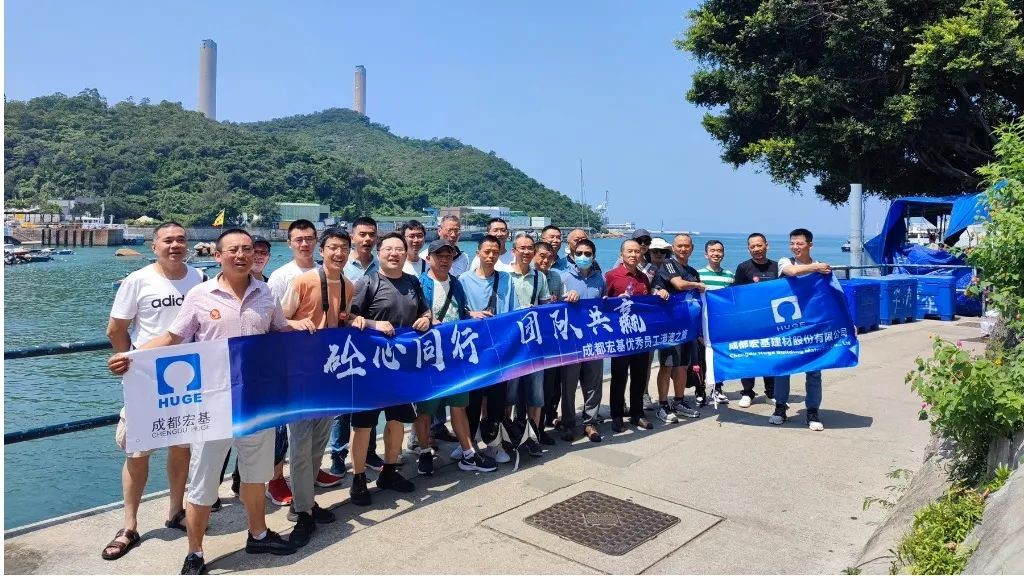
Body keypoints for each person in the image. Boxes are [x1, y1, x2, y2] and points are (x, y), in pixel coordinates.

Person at [108, 228, 318, 575]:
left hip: (256, 401)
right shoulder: (200, 295)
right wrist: (132, 356)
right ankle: (195, 551)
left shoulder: (265, 292)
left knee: (255, 475)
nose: (241, 255)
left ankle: (258, 533)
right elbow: (173, 336)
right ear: (218, 256)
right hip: (212, 404)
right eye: (233, 250)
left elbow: (277, 328)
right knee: (203, 481)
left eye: (247, 249)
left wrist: (299, 327)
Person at [101, 222, 204, 561]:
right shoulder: (137, 280)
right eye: (167, 240)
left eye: (181, 240)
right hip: (145, 378)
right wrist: (129, 361)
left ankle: (175, 510)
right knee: (137, 452)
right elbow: (116, 328)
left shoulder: (199, 278)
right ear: (154, 246)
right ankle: (129, 525)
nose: (175, 245)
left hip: (189, 375)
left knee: (181, 446)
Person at [278, 228, 366, 546]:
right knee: (300, 444)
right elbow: (278, 322)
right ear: (322, 250)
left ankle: (306, 501)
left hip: (330, 374)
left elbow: (341, 318)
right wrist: (295, 324)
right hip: (301, 375)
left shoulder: (348, 285)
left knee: (318, 443)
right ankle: (302, 510)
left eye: (344, 248)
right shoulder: (302, 282)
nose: (338, 253)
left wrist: (354, 319)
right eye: (333, 247)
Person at [348, 232, 433, 506]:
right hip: (370, 369)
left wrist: (426, 319)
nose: (394, 254)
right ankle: (358, 478)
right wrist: (374, 324)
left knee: (397, 421)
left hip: (401, 368)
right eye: (388, 249)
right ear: (379, 253)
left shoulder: (413, 282)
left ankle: (389, 470)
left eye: (399, 249)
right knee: (363, 425)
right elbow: (348, 317)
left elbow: (426, 311)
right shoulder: (367, 282)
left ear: (406, 253)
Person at [413, 239, 498, 475]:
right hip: (430, 359)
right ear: (428, 258)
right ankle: (424, 451)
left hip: (455, 357)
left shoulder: (456, 283)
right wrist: (425, 320)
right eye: (439, 256)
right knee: (425, 410)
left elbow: (460, 311)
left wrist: (472, 314)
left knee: (459, 406)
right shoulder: (418, 284)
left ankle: (468, 453)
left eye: (448, 256)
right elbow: (412, 315)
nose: (444, 260)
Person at [264, 220, 324, 507]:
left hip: (319, 363)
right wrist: (294, 324)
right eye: (298, 239)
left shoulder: (324, 272)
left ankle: (311, 471)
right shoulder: (281, 276)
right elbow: (270, 320)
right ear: (289, 243)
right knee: (283, 425)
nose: (304, 244)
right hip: (288, 361)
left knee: (316, 422)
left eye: (309, 238)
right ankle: (275, 478)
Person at [460, 235, 517, 464]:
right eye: (487, 251)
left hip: (498, 350)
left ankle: (494, 444)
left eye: (495, 251)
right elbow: (459, 311)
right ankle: (469, 443)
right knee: (472, 400)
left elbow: (512, 311)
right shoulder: (463, 280)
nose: (491, 256)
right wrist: (470, 314)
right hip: (473, 351)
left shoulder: (506, 279)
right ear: (478, 253)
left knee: (496, 399)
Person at [335, 216, 385, 475]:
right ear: (352, 236)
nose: (367, 239)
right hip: (344, 343)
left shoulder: (381, 266)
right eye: (362, 234)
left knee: (371, 399)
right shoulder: (341, 266)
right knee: (343, 404)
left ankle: (369, 452)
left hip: (373, 345)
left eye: (371, 235)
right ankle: (338, 453)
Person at [773, 228, 831, 431]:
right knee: (783, 368)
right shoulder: (785, 262)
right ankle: (780, 408)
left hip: (813, 326)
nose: (795, 247)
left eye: (800, 243)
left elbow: (831, 297)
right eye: (792, 243)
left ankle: (812, 412)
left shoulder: (821, 268)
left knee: (814, 371)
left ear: (810, 245)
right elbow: (792, 272)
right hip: (788, 325)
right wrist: (817, 267)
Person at [605, 239, 665, 433]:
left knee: (639, 376)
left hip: (640, 335)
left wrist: (661, 294)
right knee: (619, 376)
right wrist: (614, 301)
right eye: (629, 251)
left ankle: (637, 413)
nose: (633, 255)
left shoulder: (643, 278)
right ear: (621, 254)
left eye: (637, 252)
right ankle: (616, 415)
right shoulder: (611, 276)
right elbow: (602, 304)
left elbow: (648, 303)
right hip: (620, 336)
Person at [506, 233, 552, 456]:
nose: (526, 252)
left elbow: (545, 308)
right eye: (521, 248)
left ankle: (533, 435)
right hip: (511, 344)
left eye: (529, 248)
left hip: (534, 344)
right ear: (513, 251)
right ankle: (505, 434)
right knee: (509, 392)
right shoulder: (504, 276)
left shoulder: (539, 277)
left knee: (536, 392)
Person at [652, 234, 705, 421]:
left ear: (692, 248)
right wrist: (697, 285)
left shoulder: (692, 271)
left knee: (682, 366)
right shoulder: (668, 264)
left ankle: (679, 401)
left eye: (687, 246)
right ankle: (662, 405)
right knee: (667, 366)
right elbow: (679, 285)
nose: (683, 249)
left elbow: (698, 300)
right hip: (668, 325)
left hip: (687, 326)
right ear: (673, 248)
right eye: (679, 246)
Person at [558, 238, 606, 442]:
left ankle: (590, 422)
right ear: (573, 255)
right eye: (579, 253)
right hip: (572, 342)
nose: (583, 257)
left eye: (587, 254)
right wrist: (565, 297)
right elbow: (553, 304)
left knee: (594, 383)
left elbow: (605, 305)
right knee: (569, 386)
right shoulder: (563, 277)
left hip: (595, 340)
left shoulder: (600, 279)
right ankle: (569, 423)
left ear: (593, 256)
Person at [733, 233, 779, 408]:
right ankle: (747, 392)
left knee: (770, 357)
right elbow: (736, 294)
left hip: (771, 321)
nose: (756, 249)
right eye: (752, 246)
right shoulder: (743, 267)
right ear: (748, 249)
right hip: (748, 322)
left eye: (759, 245)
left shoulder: (776, 267)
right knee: (748, 356)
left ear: (767, 245)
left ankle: (771, 393)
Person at [697, 240, 735, 405]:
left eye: (719, 251)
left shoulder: (729, 276)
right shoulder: (698, 275)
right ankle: (700, 391)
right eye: (712, 250)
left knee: (719, 358)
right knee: (700, 359)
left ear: (723, 254)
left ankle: (717, 389)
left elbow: (732, 301)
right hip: (703, 323)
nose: (716, 254)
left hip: (721, 325)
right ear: (706, 254)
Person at [534, 240, 565, 428]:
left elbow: (562, 302)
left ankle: (547, 419)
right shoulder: (530, 276)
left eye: (549, 257)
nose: (545, 260)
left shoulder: (556, 277)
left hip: (552, 340)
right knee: (531, 386)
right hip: (532, 340)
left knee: (552, 384)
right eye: (542, 256)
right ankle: (527, 425)